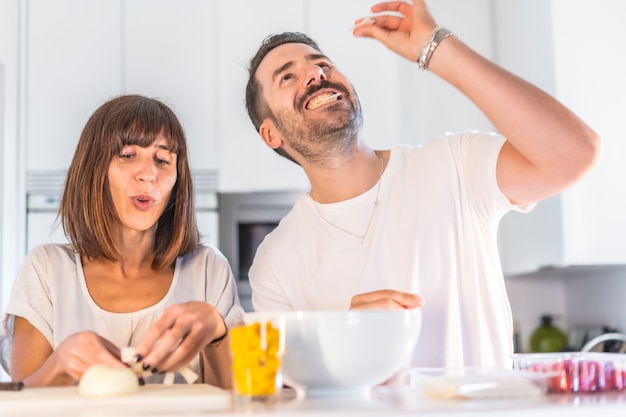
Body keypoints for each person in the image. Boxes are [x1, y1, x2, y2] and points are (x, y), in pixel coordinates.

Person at [244, 1, 601, 368]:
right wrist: (345, 334)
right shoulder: (275, 264)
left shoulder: (455, 166)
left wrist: (435, 46)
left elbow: (575, 153)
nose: (315, 73)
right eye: (287, 77)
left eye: (322, 63)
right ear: (271, 134)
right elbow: (289, 392)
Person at [0, 94, 244, 387]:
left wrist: (217, 333)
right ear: (94, 170)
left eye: (163, 159)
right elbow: (22, 403)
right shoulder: (45, 270)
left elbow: (242, 401)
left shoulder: (209, 269)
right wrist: (60, 363)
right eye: (128, 155)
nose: (149, 175)